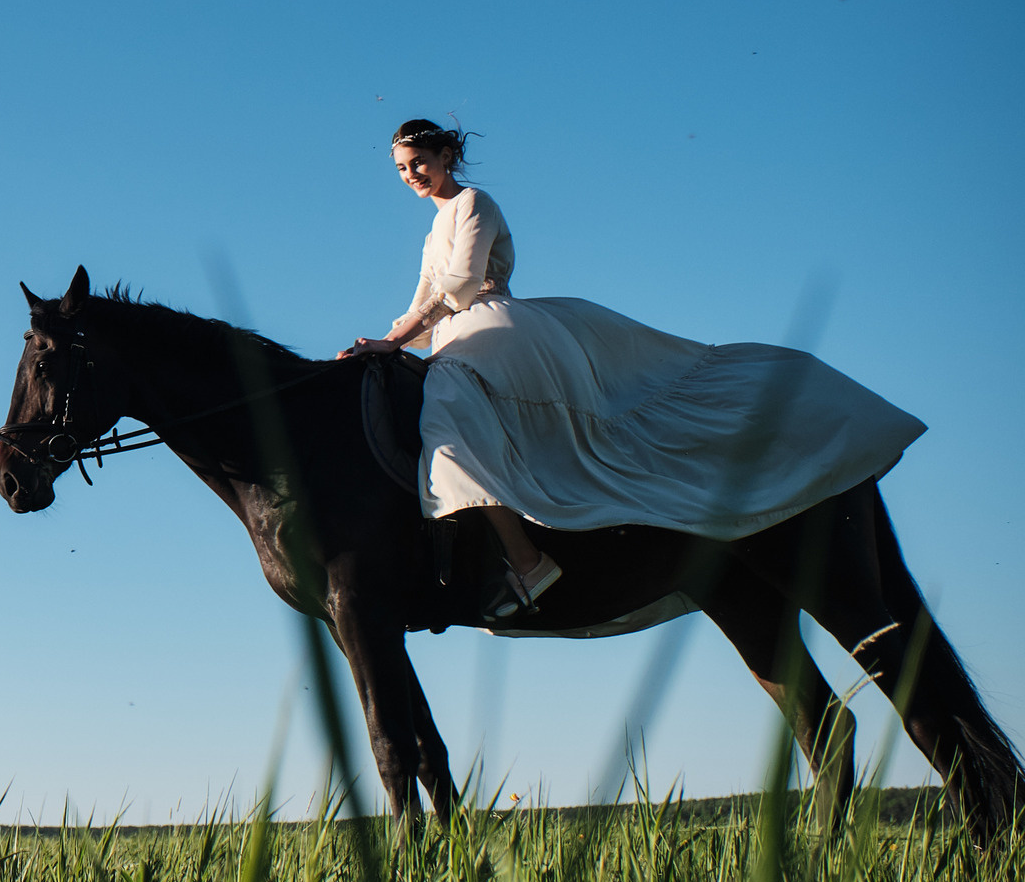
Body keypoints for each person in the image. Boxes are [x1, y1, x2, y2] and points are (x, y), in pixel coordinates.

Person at [340, 118, 928, 624]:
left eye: (419, 162)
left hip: (490, 325)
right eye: (401, 169)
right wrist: (387, 342)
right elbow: (423, 295)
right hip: (453, 330)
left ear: (447, 156)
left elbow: (461, 284)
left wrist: (395, 340)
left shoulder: (474, 204)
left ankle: (527, 562)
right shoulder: (432, 226)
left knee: (450, 416)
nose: (412, 174)